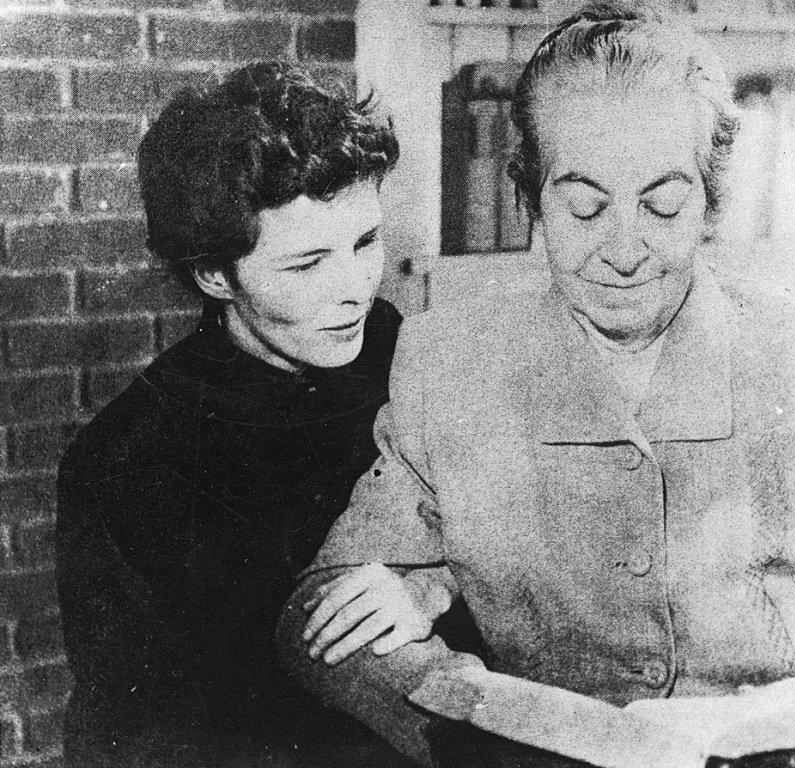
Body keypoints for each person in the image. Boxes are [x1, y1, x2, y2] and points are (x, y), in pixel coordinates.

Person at [277, 5, 795, 768]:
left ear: (710, 201)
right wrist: (510, 721)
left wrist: (762, 735)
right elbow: (319, 616)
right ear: (532, 198)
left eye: (663, 204)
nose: (623, 251)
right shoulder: (450, 361)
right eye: (584, 206)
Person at [56, 62, 453, 768]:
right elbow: (129, 735)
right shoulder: (126, 462)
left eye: (365, 242)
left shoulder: (412, 358)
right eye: (306, 265)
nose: (355, 290)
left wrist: (432, 587)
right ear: (215, 274)